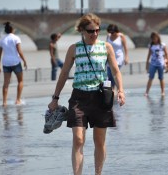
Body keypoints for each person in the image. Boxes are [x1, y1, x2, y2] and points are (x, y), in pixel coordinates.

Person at [47, 13, 125, 175]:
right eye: (90, 31)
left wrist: (121, 91)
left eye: (97, 30)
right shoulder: (74, 49)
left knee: (99, 141)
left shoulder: (106, 47)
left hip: (101, 98)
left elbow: (116, 72)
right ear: (82, 30)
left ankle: (98, 173)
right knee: (78, 139)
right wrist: (55, 98)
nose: (94, 34)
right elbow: (64, 73)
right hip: (79, 98)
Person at [0, 22, 27, 106]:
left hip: (6, 63)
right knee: (20, 81)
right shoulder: (16, 38)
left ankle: (4, 102)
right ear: (13, 29)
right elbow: (19, 51)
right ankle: (17, 100)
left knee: (6, 83)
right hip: (16, 62)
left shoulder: (2, 39)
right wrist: (24, 61)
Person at [145, 32, 168, 96]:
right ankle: (147, 92)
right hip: (153, 64)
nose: (154, 39)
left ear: (158, 38)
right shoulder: (151, 45)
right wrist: (147, 64)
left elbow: (167, 54)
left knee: (161, 78)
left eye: (155, 38)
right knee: (150, 77)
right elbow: (149, 55)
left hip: (161, 64)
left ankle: (162, 92)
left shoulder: (162, 45)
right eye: (152, 38)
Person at [106, 24, 129, 90]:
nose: (111, 34)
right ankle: (114, 89)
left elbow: (125, 48)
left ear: (116, 31)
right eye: (110, 32)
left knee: (114, 74)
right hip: (109, 58)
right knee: (109, 75)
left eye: (112, 32)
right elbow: (106, 46)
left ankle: (114, 89)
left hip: (118, 58)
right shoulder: (108, 36)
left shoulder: (121, 36)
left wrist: (126, 57)